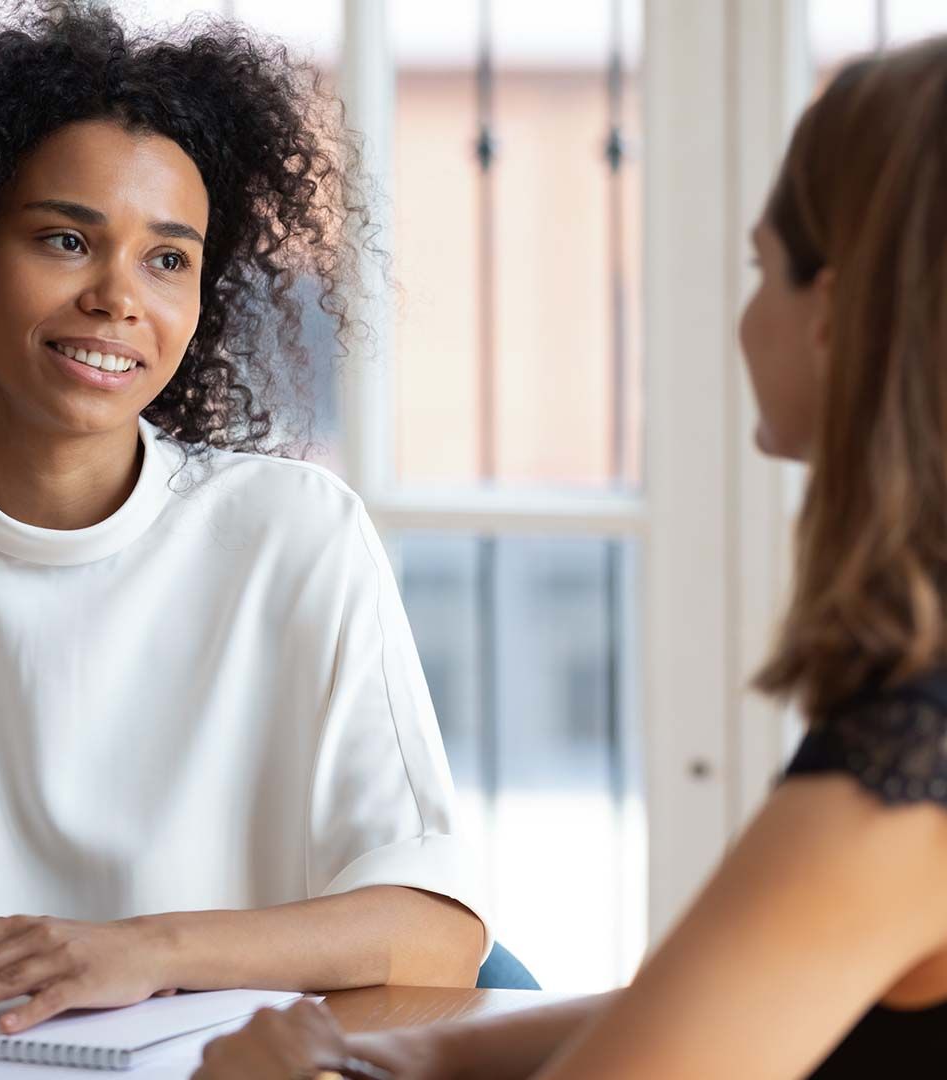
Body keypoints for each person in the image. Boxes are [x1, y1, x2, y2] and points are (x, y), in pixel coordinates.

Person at [190, 34, 947, 1080]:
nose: (742, 316)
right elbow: (721, 992)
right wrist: (413, 1056)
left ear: (840, 314)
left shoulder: (904, 773)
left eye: (761, 268)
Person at [0, 0, 488, 1036]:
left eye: (168, 259)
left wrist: (138, 951)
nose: (120, 298)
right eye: (66, 239)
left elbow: (436, 932)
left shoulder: (293, 534)